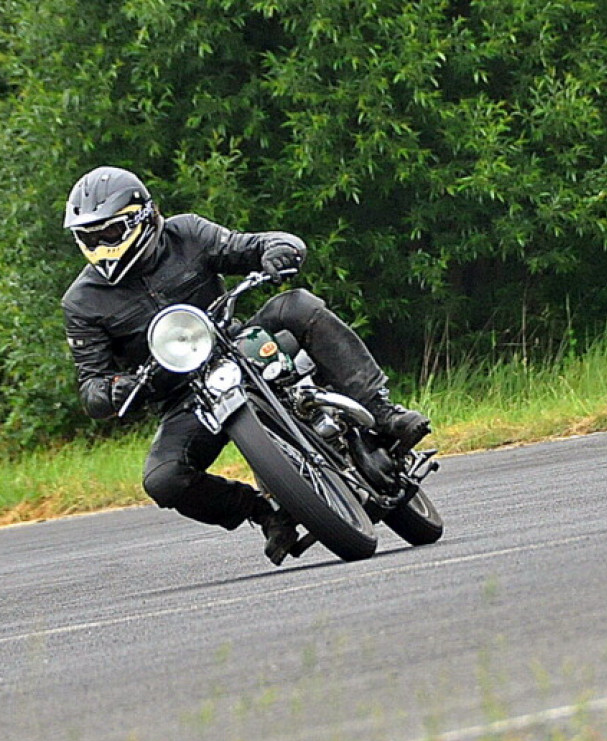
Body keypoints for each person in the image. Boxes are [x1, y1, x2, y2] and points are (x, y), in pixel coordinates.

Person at [61, 166, 430, 564]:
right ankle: (264, 512)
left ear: (144, 218)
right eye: (89, 237)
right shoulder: (82, 303)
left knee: (299, 304)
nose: (100, 245)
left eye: (109, 233)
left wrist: (278, 250)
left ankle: (382, 411)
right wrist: (113, 390)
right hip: (179, 395)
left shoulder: (185, 233)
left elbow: (251, 244)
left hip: (237, 341)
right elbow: (91, 385)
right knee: (163, 480)